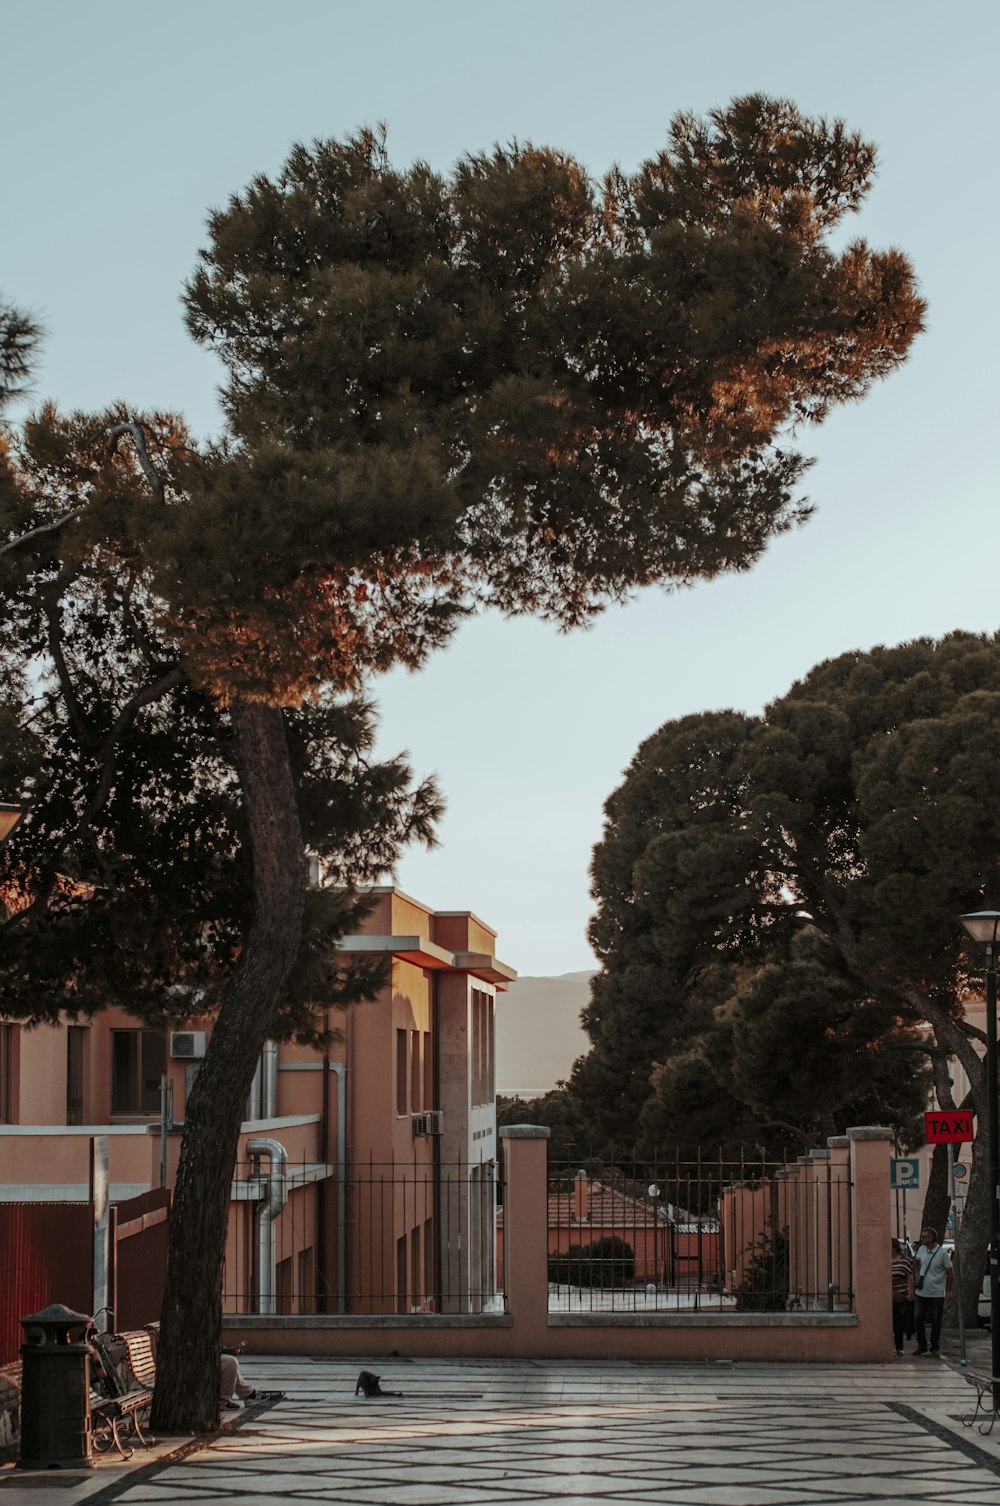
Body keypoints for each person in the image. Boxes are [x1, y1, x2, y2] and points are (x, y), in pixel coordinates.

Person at [912, 1226, 953, 1356]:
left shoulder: (942, 1253)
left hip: (936, 1293)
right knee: (918, 1318)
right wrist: (917, 1274)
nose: (921, 1238)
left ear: (931, 1238)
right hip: (921, 1291)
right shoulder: (922, 1249)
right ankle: (922, 1345)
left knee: (936, 1320)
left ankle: (934, 1346)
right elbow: (916, 1262)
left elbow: (950, 1273)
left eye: (924, 1236)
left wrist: (948, 1291)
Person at [890, 1237, 915, 1356]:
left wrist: (910, 1292)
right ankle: (895, 1346)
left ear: (894, 1248)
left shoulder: (903, 1262)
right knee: (893, 1322)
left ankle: (900, 1346)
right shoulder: (885, 1261)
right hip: (889, 1296)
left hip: (901, 1296)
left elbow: (910, 1277)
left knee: (900, 1322)